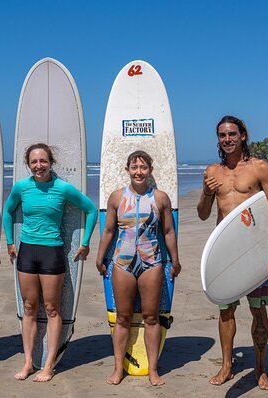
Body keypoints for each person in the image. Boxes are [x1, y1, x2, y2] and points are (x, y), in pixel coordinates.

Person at [197, 116, 268, 390]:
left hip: (255, 251)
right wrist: (206, 192)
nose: (227, 139)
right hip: (226, 252)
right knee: (226, 311)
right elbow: (202, 215)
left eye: (232, 134)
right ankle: (226, 365)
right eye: (222, 135)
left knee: (258, 311)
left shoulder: (260, 168)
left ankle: (260, 369)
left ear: (243, 135)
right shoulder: (212, 172)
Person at [3, 143, 98, 382]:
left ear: (51, 162)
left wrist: (85, 242)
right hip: (27, 251)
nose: (38, 166)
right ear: (28, 164)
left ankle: (48, 365)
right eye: (34, 162)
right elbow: (7, 210)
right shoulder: (22, 187)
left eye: (43, 161)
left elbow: (91, 209)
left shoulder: (63, 188)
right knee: (28, 308)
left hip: (52, 251)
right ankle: (28, 363)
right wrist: (9, 242)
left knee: (53, 308)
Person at [95, 150, 181, 386]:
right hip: (122, 262)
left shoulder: (161, 198)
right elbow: (109, 231)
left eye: (143, 167)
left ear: (150, 170)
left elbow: (168, 232)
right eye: (134, 167)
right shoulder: (116, 197)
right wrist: (100, 257)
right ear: (127, 170)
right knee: (122, 317)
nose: (139, 172)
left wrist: (175, 260)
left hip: (151, 262)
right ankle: (117, 369)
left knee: (151, 317)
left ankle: (153, 370)